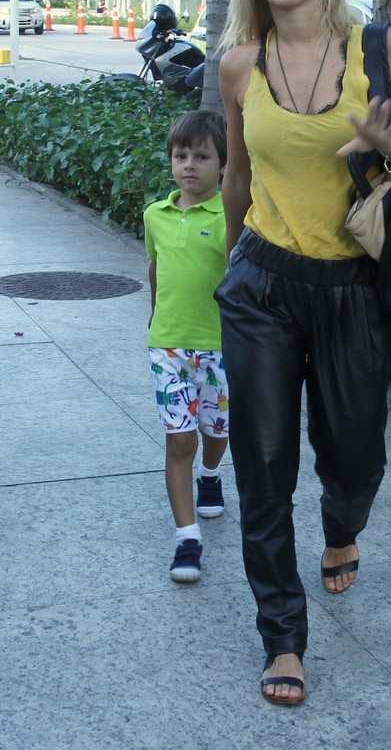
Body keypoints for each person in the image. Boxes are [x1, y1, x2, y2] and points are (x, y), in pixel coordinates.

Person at [215, 0, 391, 705]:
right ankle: (282, 636)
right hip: (263, 287)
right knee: (264, 466)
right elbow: (238, 180)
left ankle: (342, 527)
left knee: (354, 458)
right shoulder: (239, 63)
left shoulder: (381, 48)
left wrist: (390, 143)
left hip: (355, 288)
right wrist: (225, 268)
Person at [144, 110, 229, 584]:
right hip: (169, 348)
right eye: (181, 156)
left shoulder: (229, 216)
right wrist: (156, 316)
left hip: (221, 348)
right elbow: (156, 269)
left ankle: (212, 476)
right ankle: (187, 539)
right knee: (180, 440)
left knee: (217, 432)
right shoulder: (155, 215)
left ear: (223, 165)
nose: (189, 165)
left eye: (202, 156)